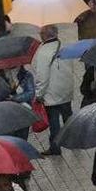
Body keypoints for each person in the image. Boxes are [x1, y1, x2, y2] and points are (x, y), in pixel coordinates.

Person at [33, 25, 74, 156]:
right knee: (69, 118)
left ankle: (55, 148)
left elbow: (42, 76)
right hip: (66, 90)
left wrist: (39, 94)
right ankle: (74, 141)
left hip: (51, 93)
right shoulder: (64, 46)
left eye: (41, 33)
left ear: (45, 35)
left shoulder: (43, 51)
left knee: (54, 122)